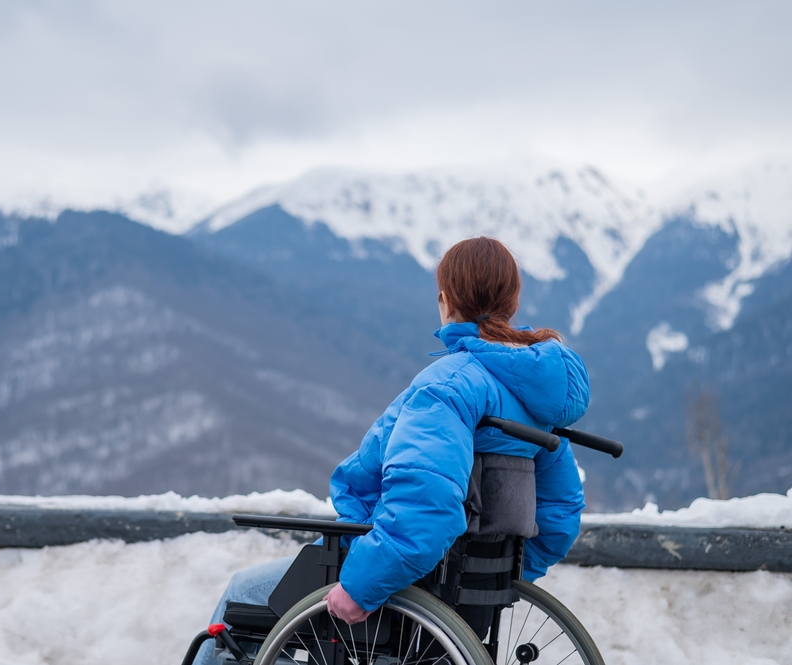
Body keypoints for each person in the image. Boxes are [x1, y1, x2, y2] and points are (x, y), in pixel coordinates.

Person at [194, 236, 588, 663]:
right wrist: (494, 579)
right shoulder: (537, 405)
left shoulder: (449, 386)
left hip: (397, 575)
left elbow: (425, 509)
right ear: (512, 302)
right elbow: (559, 516)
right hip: (456, 589)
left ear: (445, 300)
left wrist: (360, 588)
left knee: (239, 598)